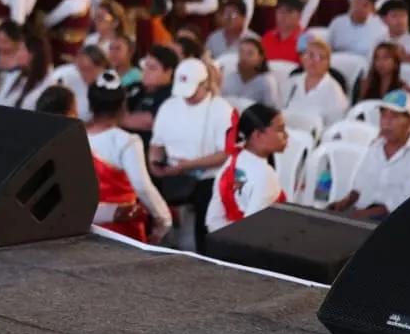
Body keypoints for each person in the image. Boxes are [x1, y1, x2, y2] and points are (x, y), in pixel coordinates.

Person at [149, 57, 236, 252]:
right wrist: (154, 163)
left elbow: (226, 152)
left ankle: (203, 251)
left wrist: (188, 165)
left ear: (204, 85)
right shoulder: (169, 106)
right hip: (173, 173)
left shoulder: (221, 110)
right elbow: (156, 143)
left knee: (206, 202)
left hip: (207, 176)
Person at [82, 71, 172, 243]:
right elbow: (142, 186)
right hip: (122, 228)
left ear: (91, 103)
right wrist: (163, 220)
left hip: (85, 225)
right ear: (123, 105)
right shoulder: (126, 141)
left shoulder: (76, 135)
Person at [329, 90, 410, 220]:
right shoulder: (375, 148)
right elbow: (359, 187)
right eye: (384, 116)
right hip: (361, 213)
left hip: (395, 221)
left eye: (395, 117)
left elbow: (409, 203)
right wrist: (344, 203)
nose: (387, 123)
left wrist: (363, 215)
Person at [206, 103, 289, 233]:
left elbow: (212, 220)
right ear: (257, 135)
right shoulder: (265, 175)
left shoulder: (232, 161)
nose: (286, 135)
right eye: (280, 129)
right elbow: (252, 231)